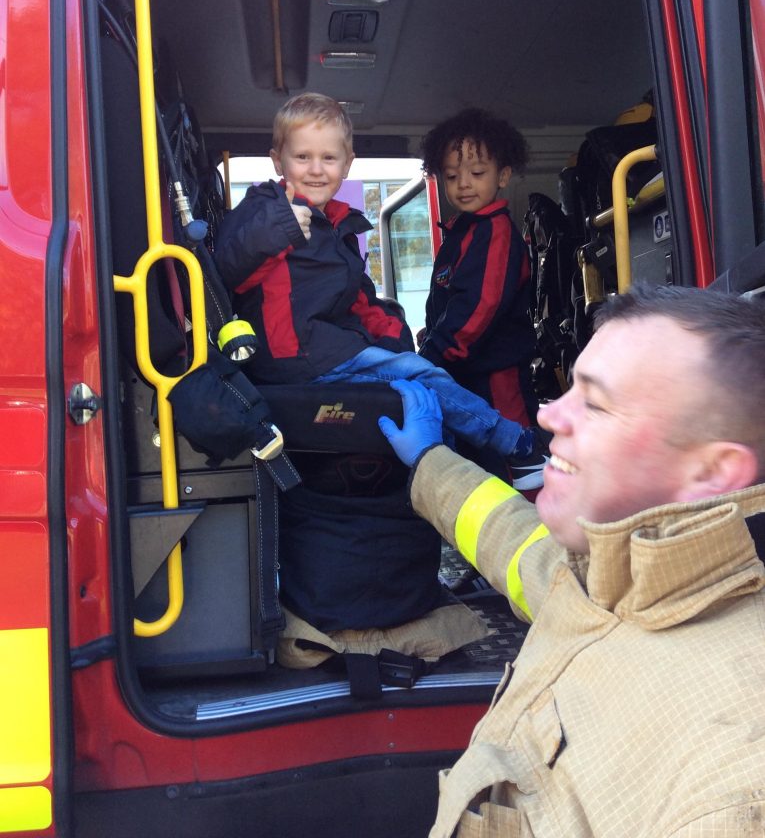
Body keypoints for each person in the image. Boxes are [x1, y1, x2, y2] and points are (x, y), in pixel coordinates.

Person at [378, 284, 765, 837]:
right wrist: (427, 460)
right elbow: (509, 537)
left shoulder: (741, 776)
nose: (547, 414)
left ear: (713, 473)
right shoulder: (602, 578)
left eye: (596, 402)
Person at [215, 92, 547, 485]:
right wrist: (281, 226)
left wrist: (392, 335)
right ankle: (517, 444)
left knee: (416, 384)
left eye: (329, 158)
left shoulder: (338, 226)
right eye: (303, 157)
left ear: (347, 164)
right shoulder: (264, 207)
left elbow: (358, 299)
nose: (316, 169)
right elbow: (227, 265)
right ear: (278, 161)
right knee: (423, 377)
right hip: (297, 357)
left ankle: (450, 485)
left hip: (327, 351)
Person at [418, 109, 537, 430]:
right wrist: (431, 335)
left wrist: (434, 353)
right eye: (452, 176)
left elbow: (479, 305)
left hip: (496, 372)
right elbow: (446, 298)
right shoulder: (462, 232)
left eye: (478, 173)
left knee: (513, 447)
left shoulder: (494, 231)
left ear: (502, 176)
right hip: (463, 368)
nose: (464, 185)